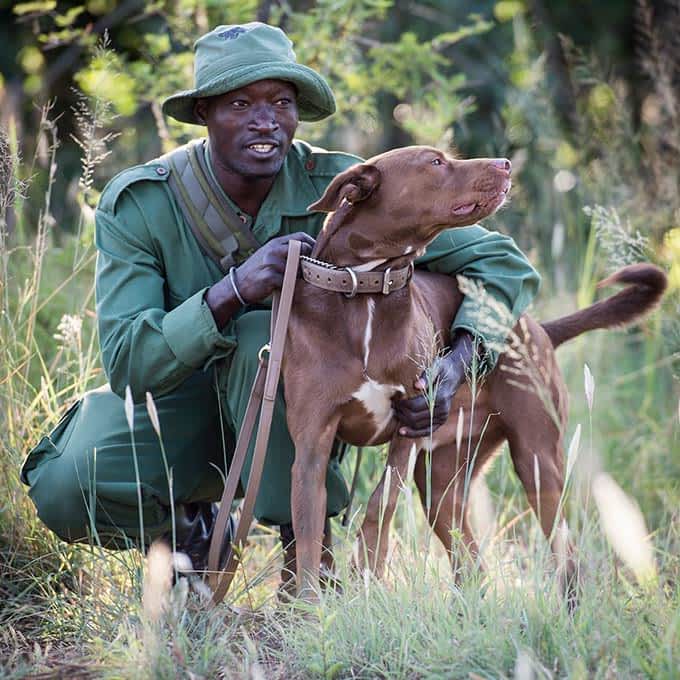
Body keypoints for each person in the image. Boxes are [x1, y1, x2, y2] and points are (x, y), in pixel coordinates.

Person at [21, 22, 540, 577]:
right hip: (179, 411)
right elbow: (128, 364)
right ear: (203, 114)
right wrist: (232, 290)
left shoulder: (352, 189)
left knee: (260, 341)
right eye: (239, 103)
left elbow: (503, 265)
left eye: (281, 102)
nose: (265, 120)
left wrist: (460, 360)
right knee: (64, 482)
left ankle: (308, 555)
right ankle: (191, 535)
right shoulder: (143, 203)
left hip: (304, 413)